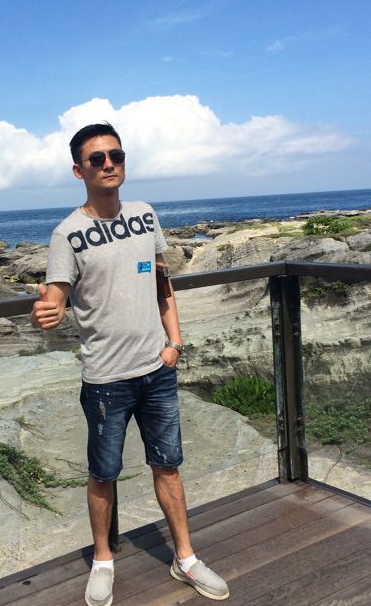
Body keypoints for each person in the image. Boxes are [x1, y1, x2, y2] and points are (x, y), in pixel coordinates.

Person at [31, 123, 229, 605]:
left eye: (116, 156)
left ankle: (186, 558)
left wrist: (174, 342)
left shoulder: (144, 215)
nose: (108, 165)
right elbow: (55, 296)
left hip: (157, 371)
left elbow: (162, 283)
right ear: (78, 170)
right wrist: (46, 312)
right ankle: (103, 560)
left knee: (168, 467)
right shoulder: (66, 234)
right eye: (97, 159)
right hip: (105, 379)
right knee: (104, 473)